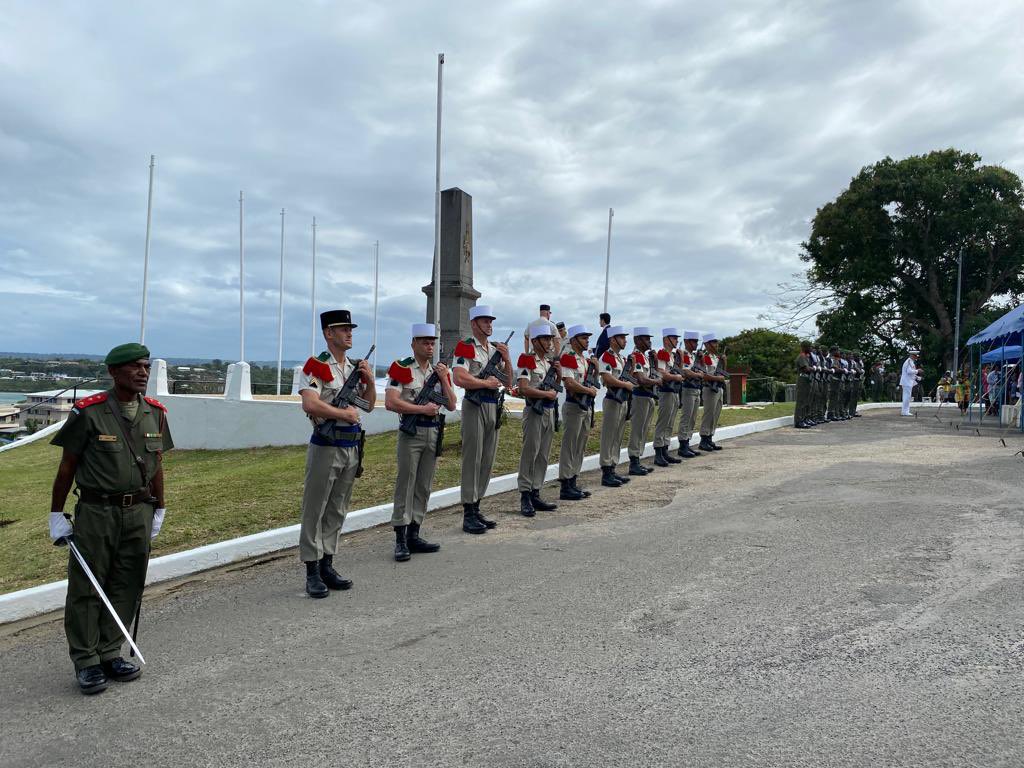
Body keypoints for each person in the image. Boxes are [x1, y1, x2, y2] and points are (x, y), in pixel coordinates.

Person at [48, 342, 172, 695]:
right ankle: (86, 660)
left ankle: (110, 652)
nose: (143, 373)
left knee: (127, 582)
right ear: (113, 372)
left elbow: (157, 465)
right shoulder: (89, 412)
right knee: (88, 586)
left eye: (145, 366)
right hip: (97, 512)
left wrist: (160, 508)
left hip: (139, 511)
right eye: (134, 367)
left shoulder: (155, 413)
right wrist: (56, 514)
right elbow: (67, 466)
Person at [297, 310, 376, 597]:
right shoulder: (317, 366)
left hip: (350, 446)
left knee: (337, 508)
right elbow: (310, 404)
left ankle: (327, 564)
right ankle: (312, 570)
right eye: (343, 329)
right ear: (328, 333)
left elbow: (368, 406)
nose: (349, 333)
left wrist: (369, 381)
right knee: (315, 509)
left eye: (350, 328)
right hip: (326, 445)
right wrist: (342, 413)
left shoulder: (354, 367)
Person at [384, 323, 457, 562]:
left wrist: (444, 378)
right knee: (406, 483)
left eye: (432, 342)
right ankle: (400, 537)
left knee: (424, 485)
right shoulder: (402, 368)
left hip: (433, 431)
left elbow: (451, 404)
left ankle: (414, 533)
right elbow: (391, 402)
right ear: (413, 343)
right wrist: (420, 409)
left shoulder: (439, 371)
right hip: (412, 432)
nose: (429, 346)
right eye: (424, 342)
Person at [453, 304, 514, 534]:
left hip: (492, 406)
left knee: (487, 459)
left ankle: (477, 506)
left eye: (491, 321)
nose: (489, 325)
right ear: (474, 324)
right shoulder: (466, 346)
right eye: (485, 321)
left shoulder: (495, 348)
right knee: (473, 459)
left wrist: (507, 359)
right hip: (475, 405)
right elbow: (459, 377)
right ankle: (468, 512)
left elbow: (508, 382)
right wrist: (484, 383)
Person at [516, 323, 561, 516]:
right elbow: (523, 388)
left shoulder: (549, 363)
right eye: (545, 339)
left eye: (550, 339)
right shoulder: (528, 360)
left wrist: (559, 375)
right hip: (534, 411)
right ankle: (525, 495)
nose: (549, 342)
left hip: (549, 411)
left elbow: (555, 388)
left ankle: (536, 491)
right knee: (530, 453)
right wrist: (545, 395)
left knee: (543, 454)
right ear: (534, 341)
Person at [558, 325, 596, 500]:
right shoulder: (569, 358)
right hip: (574, 405)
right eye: (583, 338)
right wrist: (588, 391)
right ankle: (565, 485)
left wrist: (595, 369)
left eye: (587, 338)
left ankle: (573, 480)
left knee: (580, 446)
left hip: (585, 406)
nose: (587, 341)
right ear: (573, 340)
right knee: (570, 446)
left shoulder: (584, 360)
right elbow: (569, 383)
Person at [598, 325, 634, 486]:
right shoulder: (606, 357)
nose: (625, 340)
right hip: (613, 399)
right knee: (609, 436)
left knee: (617, 436)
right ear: (613, 340)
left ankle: (612, 468)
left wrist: (631, 369)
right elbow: (607, 378)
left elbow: (628, 378)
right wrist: (625, 385)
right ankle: (606, 472)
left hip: (623, 400)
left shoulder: (622, 359)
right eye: (622, 338)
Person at [624, 327, 660, 476]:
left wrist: (655, 361)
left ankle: (638, 459)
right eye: (645, 339)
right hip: (639, 396)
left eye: (649, 339)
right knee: (637, 430)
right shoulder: (636, 356)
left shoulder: (645, 357)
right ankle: (633, 462)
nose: (649, 341)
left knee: (644, 430)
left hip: (648, 396)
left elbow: (653, 373)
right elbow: (641, 379)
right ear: (637, 340)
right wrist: (657, 382)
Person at [652, 328, 684, 464]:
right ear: (666, 339)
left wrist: (681, 357)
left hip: (674, 391)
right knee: (663, 422)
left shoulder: (672, 356)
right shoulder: (662, 354)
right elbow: (662, 373)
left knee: (670, 423)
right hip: (666, 391)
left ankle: (665, 449)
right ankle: (658, 451)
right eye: (674, 338)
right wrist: (675, 377)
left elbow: (680, 371)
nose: (677, 340)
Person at [696, 333, 727, 451]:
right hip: (709, 388)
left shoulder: (716, 358)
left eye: (716, 342)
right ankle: (704, 439)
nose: (716, 345)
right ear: (707, 344)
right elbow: (704, 375)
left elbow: (723, 372)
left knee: (716, 414)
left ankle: (709, 437)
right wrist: (717, 378)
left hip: (718, 388)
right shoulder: (704, 357)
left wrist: (724, 361)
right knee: (709, 414)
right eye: (714, 342)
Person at [675, 331, 705, 456]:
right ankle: (683, 445)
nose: (696, 344)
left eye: (697, 341)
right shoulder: (685, 355)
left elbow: (703, 370)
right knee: (686, 417)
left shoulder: (693, 356)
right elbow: (686, 372)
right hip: (688, 388)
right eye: (693, 341)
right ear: (686, 342)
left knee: (692, 418)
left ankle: (687, 442)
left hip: (696, 388)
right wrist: (698, 375)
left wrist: (701, 360)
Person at [794, 340, 813, 428]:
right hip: (802, 380)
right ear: (805, 347)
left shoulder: (806, 356)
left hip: (806, 380)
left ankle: (803, 419)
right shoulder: (802, 356)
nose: (811, 348)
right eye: (809, 347)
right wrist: (814, 368)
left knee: (806, 401)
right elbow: (806, 369)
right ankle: (798, 421)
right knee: (801, 401)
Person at [900, 348, 921, 416]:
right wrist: (918, 371)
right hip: (907, 382)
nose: (916, 357)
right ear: (912, 356)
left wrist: (917, 377)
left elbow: (910, 373)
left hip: (908, 381)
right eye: (915, 356)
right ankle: (905, 412)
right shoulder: (909, 361)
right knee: (907, 397)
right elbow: (909, 372)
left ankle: (905, 411)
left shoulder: (911, 362)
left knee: (907, 397)